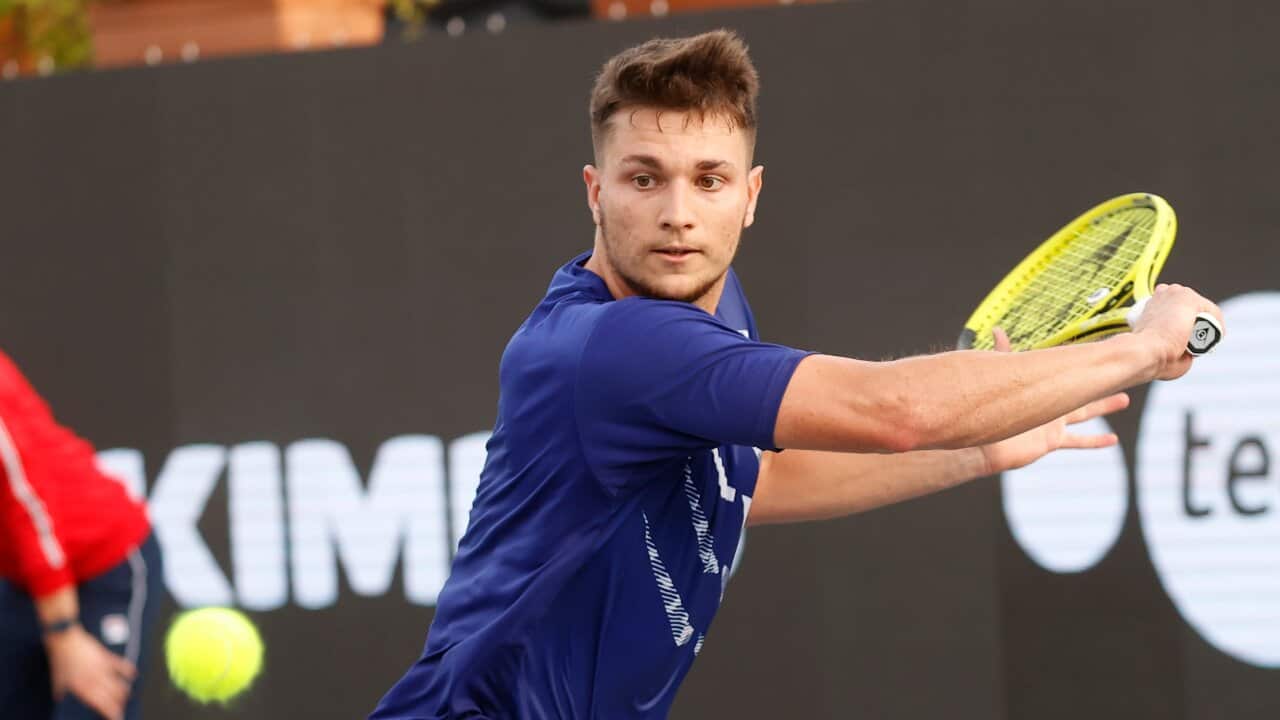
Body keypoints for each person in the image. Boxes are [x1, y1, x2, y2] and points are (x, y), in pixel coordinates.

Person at [371, 30, 1223, 719]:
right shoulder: (617, 347)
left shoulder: (709, 303)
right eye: (644, 179)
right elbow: (894, 411)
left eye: (709, 180)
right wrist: (1145, 347)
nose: (678, 214)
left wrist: (980, 448)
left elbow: (754, 480)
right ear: (596, 192)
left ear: (750, 195)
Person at [0, 348, 164, 720]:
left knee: (88, 707)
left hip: (106, 563)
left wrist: (64, 633)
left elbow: (30, 507)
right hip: (24, 579)